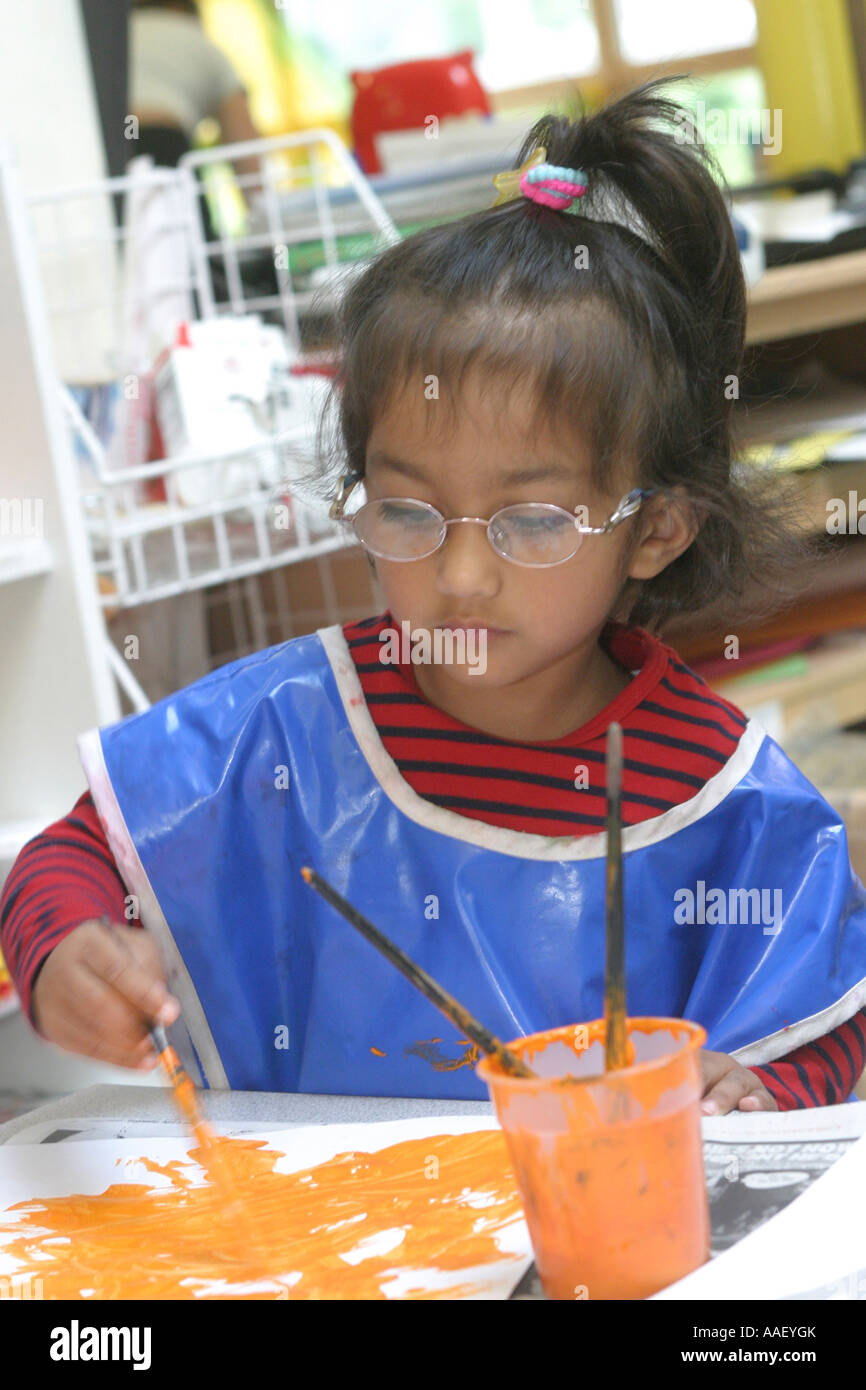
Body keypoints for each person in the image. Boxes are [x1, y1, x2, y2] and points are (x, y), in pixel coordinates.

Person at [3, 81, 865, 1113]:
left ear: (653, 529)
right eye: (408, 513)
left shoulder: (722, 793)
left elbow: (824, 1028)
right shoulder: (286, 729)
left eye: (531, 523)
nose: (459, 575)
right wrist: (62, 950)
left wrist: (757, 1090)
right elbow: (74, 850)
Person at [129, 0, 260, 175]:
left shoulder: (118, 37)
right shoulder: (199, 40)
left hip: (124, 133)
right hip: (164, 139)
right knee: (179, 197)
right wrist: (258, 198)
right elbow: (243, 144)